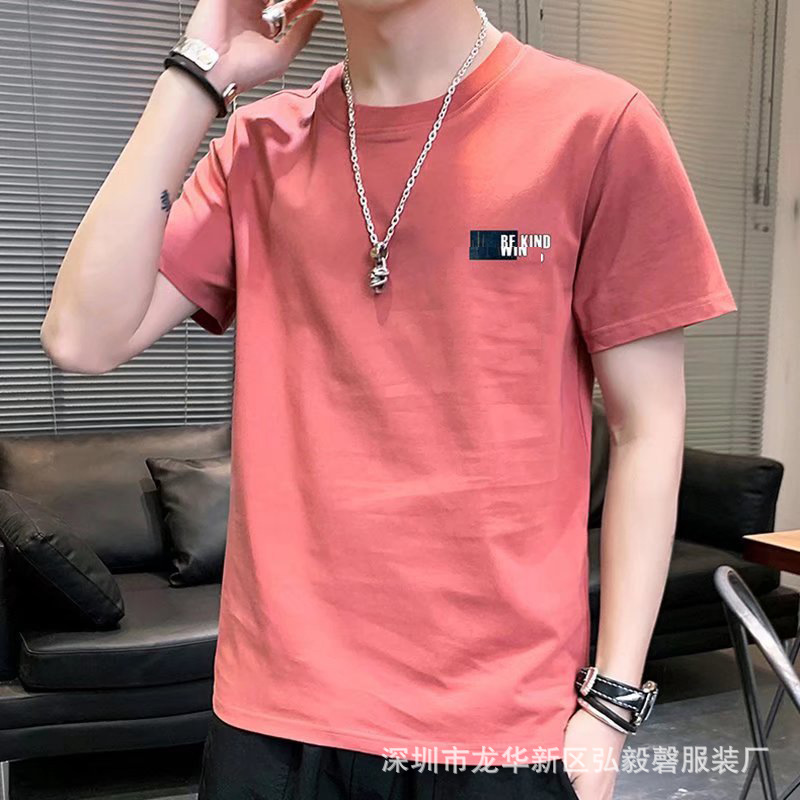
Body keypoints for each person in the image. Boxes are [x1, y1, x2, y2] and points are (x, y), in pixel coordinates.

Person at [40, 0, 738, 797]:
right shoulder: (260, 147)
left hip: (498, 727)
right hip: (275, 722)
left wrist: (610, 703)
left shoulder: (598, 127)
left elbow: (648, 429)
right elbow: (82, 339)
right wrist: (200, 73)